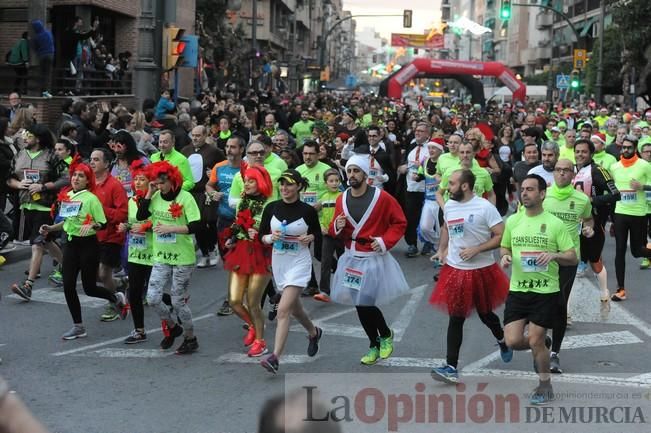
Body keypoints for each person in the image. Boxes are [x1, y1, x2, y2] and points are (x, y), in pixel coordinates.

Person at [500, 174, 577, 405]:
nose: (524, 193)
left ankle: (545, 386)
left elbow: (572, 257)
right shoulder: (513, 221)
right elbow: (505, 246)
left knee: (534, 340)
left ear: (542, 194)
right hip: (518, 289)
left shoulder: (555, 224)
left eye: (530, 189)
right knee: (512, 341)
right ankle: (545, 345)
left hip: (545, 291)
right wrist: (504, 257)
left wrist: (554, 255)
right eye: (523, 189)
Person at [430, 169, 512, 384]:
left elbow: (502, 235)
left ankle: (502, 339)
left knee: (485, 313)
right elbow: (447, 228)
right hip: (456, 269)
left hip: (482, 270)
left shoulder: (485, 207)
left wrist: (478, 249)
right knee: (456, 317)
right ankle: (451, 366)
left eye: (452, 184)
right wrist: (442, 249)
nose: (448, 187)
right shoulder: (449, 205)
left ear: (465, 186)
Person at [329, 154, 410, 365]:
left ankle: (384, 334)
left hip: (373, 257)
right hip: (351, 259)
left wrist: (384, 241)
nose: (352, 175)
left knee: (365, 301)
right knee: (359, 303)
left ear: (365, 174)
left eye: (356, 171)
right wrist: (336, 227)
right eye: (349, 171)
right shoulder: (342, 198)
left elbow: (399, 222)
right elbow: (334, 227)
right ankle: (375, 343)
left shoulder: (381, 198)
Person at [40, 157, 127, 339]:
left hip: (88, 245)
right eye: (74, 175)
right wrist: (51, 228)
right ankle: (78, 326)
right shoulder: (68, 196)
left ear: (88, 180)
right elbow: (66, 222)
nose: (76, 178)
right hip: (71, 245)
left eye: (81, 176)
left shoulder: (91, 199)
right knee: (69, 285)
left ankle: (114, 298)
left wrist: (93, 226)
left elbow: (102, 223)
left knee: (89, 288)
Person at [259, 169, 323, 373]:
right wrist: (271, 238)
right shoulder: (271, 208)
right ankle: (313, 332)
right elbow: (262, 235)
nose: (284, 188)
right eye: (282, 184)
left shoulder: (307, 211)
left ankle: (275, 357)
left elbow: (317, 234)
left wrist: (310, 238)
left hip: (299, 263)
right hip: (280, 263)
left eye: (289, 184)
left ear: (298, 186)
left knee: (283, 310)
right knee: (296, 310)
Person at [137, 161, 201, 354]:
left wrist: (171, 228)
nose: (158, 186)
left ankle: (191, 338)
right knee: (153, 298)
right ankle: (173, 327)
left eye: (161, 183)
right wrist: (149, 193)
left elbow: (197, 225)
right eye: (155, 183)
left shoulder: (185, 197)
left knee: (177, 301)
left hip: (182, 257)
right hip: (161, 255)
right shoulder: (155, 196)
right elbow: (141, 216)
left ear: (172, 181)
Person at [543, 159, 593, 374]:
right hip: (543, 258)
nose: (562, 174)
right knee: (540, 301)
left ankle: (555, 353)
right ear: (553, 173)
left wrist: (589, 229)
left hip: (568, 259)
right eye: (558, 170)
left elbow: (589, 220)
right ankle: (539, 337)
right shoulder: (543, 196)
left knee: (559, 302)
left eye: (566, 171)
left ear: (573, 176)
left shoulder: (582, 199)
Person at [8, 124, 65, 300]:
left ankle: (28, 285)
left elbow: (66, 177)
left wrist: (43, 186)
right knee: (47, 241)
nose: (24, 138)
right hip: (26, 205)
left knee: (37, 243)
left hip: (46, 206)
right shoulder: (19, 154)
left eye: (28, 136)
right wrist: (19, 185)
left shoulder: (51, 156)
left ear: (38, 138)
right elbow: (9, 178)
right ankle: (68, 266)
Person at [223, 165, 274, 357]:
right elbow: (238, 224)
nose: (247, 184)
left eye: (251, 180)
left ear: (260, 182)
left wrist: (260, 234)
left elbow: (274, 231)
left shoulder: (270, 203)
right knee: (234, 301)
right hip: (241, 251)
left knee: (253, 303)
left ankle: (261, 341)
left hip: (261, 252)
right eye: (246, 181)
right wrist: (233, 238)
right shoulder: (242, 200)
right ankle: (253, 325)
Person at [572, 138, 620, 306]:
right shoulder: (572, 170)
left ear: (591, 153)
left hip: (594, 221)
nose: (580, 154)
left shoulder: (598, 171)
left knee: (595, 259)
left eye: (584, 151)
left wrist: (592, 199)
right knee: (572, 258)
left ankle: (604, 292)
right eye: (577, 151)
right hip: (574, 223)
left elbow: (616, 194)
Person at [206, 135, 245, 316]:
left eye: (233, 147)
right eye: (228, 147)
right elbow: (209, 185)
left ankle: (233, 298)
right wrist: (213, 193)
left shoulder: (248, 168)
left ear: (241, 150)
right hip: (224, 220)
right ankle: (236, 295)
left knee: (239, 260)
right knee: (228, 260)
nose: (229, 150)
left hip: (244, 221)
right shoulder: (219, 167)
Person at [609, 135, 651, 301]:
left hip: (638, 214)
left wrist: (643, 187)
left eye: (629, 147)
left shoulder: (644, 165)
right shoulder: (615, 166)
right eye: (623, 147)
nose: (625, 150)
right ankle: (621, 289)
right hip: (620, 213)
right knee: (619, 250)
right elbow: (612, 191)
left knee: (636, 251)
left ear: (635, 149)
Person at [89, 147, 129, 322]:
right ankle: (120, 283)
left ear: (107, 164)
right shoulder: (88, 184)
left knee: (104, 274)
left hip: (111, 236)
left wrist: (100, 210)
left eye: (96, 159)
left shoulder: (115, 185)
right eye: (91, 159)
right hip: (91, 235)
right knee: (94, 275)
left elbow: (122, 214)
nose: (92, 162)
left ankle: (114, 303)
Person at [117, 161, 153, 343]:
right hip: (136, 252)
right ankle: (139, 330)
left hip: (155, 253)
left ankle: (176, 304)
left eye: (142, 179)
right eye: (136, 179)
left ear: (150, 182)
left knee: (156, 293)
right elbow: (133, 222)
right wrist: (126, 226)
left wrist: (147, 227)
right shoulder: (131, 201)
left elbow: (160, 222)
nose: (138, 182)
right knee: (135, 291)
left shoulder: (157, 199)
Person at [181, 125, 225, 268]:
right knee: (197, 224)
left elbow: (224, 166)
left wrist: (214, 173)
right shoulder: (185, 151)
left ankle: (213, 249)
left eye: (198, 135)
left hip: (207, 192)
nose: (195, 138)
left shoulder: (214, 152)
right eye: (193, 135)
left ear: (205, 136)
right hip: (190, 193)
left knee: (210, 222)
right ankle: (205, 253)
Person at [398, 122, 430, 257]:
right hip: (410, 188)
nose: (417, 133)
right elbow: (402, 164)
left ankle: (429, 242)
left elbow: (436, 167)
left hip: (427, 189)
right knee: (410, 217)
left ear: (428, 134)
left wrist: (422, 166)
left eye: (421, 131)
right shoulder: (411, 146)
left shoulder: (432, 148)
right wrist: (402, 167)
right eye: (416, 130)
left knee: (428, 219)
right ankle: (412, 244)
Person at [315, 168, 344, 302]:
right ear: (326, 184)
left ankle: (347, 289)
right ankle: (324, 291)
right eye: (331, 181)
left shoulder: (343, 196)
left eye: (336, 181)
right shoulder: (323, 198)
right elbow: (317, 214)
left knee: (344, 261)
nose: (334, 183)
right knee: (326, 262)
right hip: (327, 234)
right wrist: (321, 225)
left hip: (342, 234)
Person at [414, 140, 443, 254]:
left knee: (442, 229)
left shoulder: (445, 162)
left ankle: (442, 250)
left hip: (441, 200)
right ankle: (438, 243)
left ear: (440, 150)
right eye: (429, 148)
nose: (431, 150)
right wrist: (416, 177)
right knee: (424, 228)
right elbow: (421, 175)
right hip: (429, 200)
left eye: (434, 148)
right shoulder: (425, 161)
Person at [30, 20, 54, 98]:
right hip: (50, 54)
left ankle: (42, 92)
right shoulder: (48, 33)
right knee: (48, 74)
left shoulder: (36, 37)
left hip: (42, 56)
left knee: (42, 74)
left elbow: (34, 47)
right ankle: (47, 92)